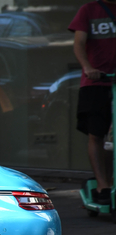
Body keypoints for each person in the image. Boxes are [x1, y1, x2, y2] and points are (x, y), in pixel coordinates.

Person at [69, 0, 116, 205]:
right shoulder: (89, 10)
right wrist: (88, 68)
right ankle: (102, 184)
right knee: (97, 134)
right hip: (96, 81)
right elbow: (79, 44)